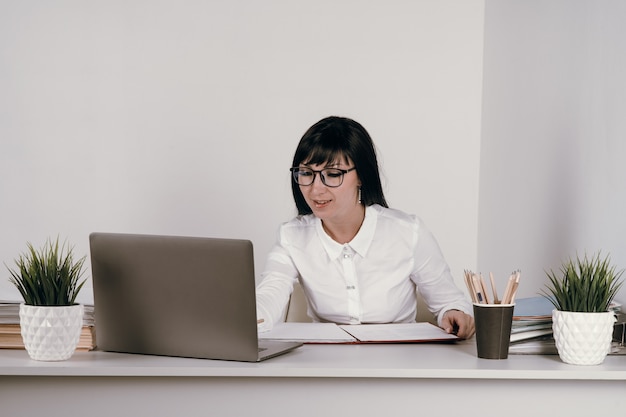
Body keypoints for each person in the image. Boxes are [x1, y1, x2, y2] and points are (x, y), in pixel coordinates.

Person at [256, 116, 475, 339]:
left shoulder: (408, 232)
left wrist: (455, 313)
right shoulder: (291, 236)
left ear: (361, 175)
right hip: (324, 362)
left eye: (332, 174)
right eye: (306, 173)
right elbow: (271, 292)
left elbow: (450, 302)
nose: (315, 189)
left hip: (400, 360)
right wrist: (252, 317)